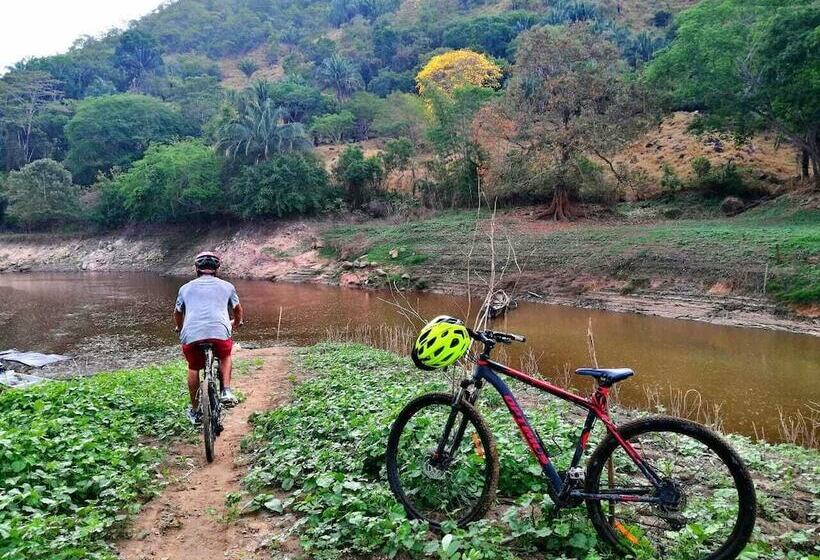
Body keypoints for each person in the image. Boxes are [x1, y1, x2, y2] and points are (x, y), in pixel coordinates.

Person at [174, 251, 243, 425]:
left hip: (192, 334)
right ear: (217, 268)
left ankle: (196, 410)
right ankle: (226, 390)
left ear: (196, 268)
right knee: (226, 356)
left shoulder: (185, 288)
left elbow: (177, 312)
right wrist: (237, 323)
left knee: (193, 367)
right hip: (219, 331)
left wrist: (180, 327)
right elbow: (237, 309)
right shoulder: (227, 286)